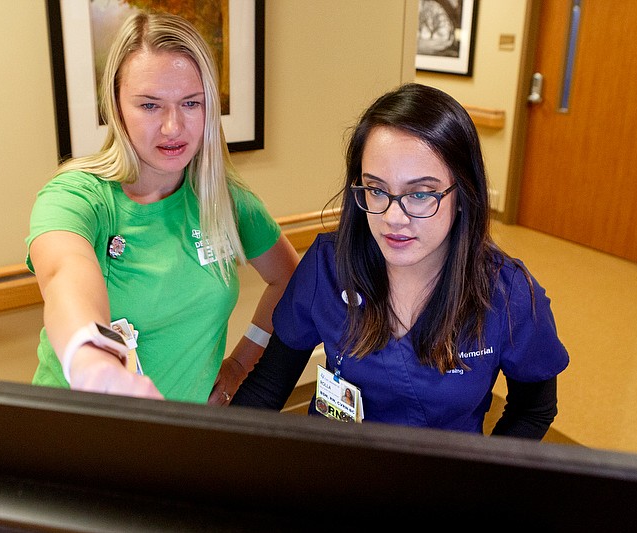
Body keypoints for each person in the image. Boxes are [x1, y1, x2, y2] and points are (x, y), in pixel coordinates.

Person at [232, 83, 569, 439]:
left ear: (463, 194)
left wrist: (480, 484)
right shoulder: (328, 267)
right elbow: (267, 387)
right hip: (336, 471)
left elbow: (534, 409)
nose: (393, 218)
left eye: (421, 194)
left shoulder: (508, 294)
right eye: (376, 190)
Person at [26, 10, 298, 404]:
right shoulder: (77, 196)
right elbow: (64, 273)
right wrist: (93, 363)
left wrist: (241, 362)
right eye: (150, 106)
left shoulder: (223, 200)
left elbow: (288, 280)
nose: (173, 127)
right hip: (75, 433)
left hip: (176, 438)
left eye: (190, 103)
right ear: (117, 107)